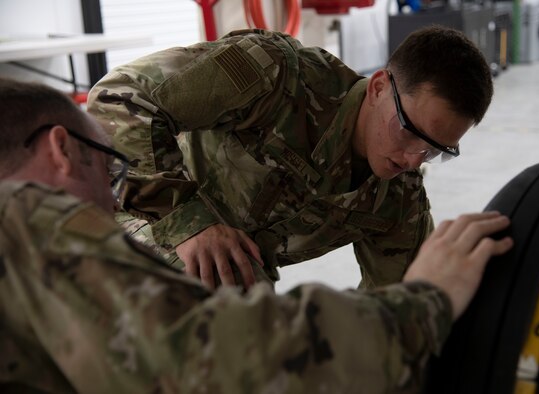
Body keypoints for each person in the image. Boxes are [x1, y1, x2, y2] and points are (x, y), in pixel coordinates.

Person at [0, 78, 510, 393]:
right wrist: (425, 304)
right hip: (191, 248)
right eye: (110, 174)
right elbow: (213, 359)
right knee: (221, 281)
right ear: (62, 150)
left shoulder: (399, 200)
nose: (112, 200)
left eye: (434, 150)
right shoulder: (24, 216)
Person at [87, 25, 494, 290]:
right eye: (408, 131)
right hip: (133, 217)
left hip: (236, 270)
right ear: (378, 87)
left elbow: (402, 307)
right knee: (230, 294)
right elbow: (118, 98)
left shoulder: (397, 199)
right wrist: (189, 222)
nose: (412, 158)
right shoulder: (277, 76)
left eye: (434, 151)